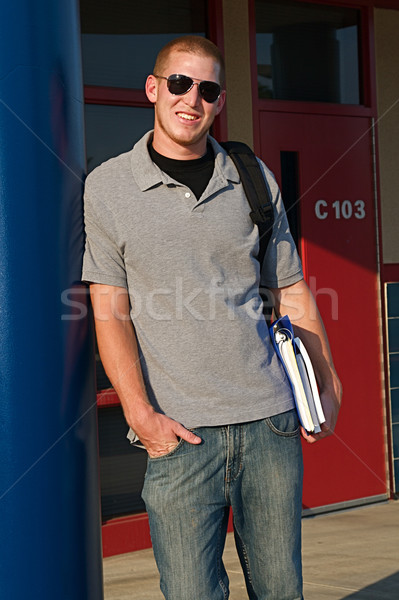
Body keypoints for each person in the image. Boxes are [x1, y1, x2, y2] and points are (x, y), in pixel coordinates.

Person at [82, 35, 342, 600]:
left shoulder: (249, 176)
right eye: (179, 83)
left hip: (270, 425)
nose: (190, 99)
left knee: (280, 592)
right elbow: (110, 311)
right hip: (179, 438)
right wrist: (142, 416)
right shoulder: (107, 187)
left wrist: (326, 373)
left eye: (207, 89)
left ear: (219, 102)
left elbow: (288, 286)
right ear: (153, 89)